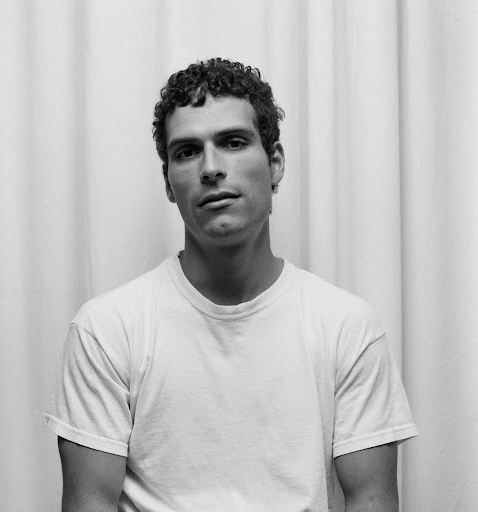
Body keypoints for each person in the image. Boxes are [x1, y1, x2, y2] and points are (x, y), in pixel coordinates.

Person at [45, 58, 418, 512]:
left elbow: (371, 500)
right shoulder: (105, 330)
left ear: (275, 163)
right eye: (187, 151)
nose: (211, 168)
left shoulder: (347, 327)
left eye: (233, 142)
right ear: (169, 183)